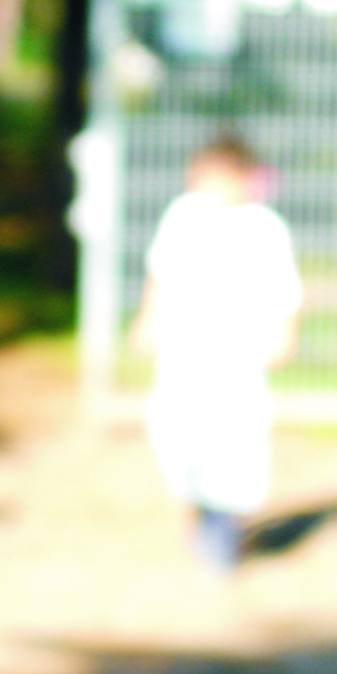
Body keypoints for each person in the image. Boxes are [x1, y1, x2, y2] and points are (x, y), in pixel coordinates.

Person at [131, 135, 302, 572]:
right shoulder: (183, 216)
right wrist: (146, 320)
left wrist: (285, 335)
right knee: (178, 436)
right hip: (184, 353)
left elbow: (286, 290)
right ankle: (196, 517)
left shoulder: (264, 227)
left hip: (238, 359)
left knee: (235, 444)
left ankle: (223, 535)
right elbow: (160, 273)